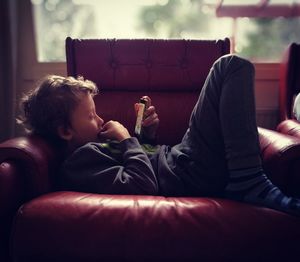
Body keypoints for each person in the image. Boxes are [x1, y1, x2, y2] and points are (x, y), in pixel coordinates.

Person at [19, 54, 300, 216]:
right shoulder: (80, 163)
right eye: (91, 116)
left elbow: (140, 166)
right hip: (187, 169)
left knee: (233, 67)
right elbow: (142, 185)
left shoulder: (96, 148)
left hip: (183, 161)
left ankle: (246, 178)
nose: (101, 119)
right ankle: (249, 182)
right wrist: (127, 140)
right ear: (65, 131)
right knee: (230, 66)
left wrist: (145, 137)